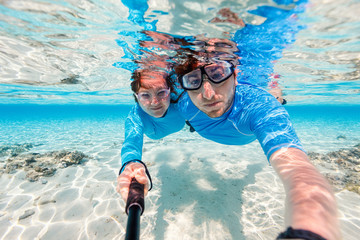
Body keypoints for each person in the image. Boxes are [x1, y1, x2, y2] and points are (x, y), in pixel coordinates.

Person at [117, 67, 185, 201]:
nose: (155, 102)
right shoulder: (136, 117)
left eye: (161, 93)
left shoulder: (181, 101)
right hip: (155, 133)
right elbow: (131, 142)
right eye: (145, 95)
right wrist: (131, 163)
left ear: (170, 91)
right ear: (136, 97)